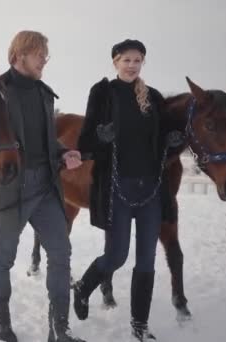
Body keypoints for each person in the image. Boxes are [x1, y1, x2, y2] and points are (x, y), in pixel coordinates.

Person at [0, 30, 85, 342]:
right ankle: (0, 324)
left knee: (61, 253)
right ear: (20, 55)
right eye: (39, 54)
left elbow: (47, 142)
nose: (44, 60)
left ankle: (59, 329)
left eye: (45, 55)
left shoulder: (44, 93)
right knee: (4, 258)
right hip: (10, 186)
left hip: (47, 186)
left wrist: (65, 153)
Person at [72, 39, 183, 341]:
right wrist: (100, 137)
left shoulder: (153, 97)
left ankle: (139, 324)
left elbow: (158, 138)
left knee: (147, 259)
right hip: (117, 188)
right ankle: (83, 287)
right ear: (115, 62)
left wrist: (170, 140)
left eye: (138, 60)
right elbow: (86, 142)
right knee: (117, 256)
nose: (132, 65)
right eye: (126, 60)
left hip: (150, 189)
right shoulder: (103, 93)